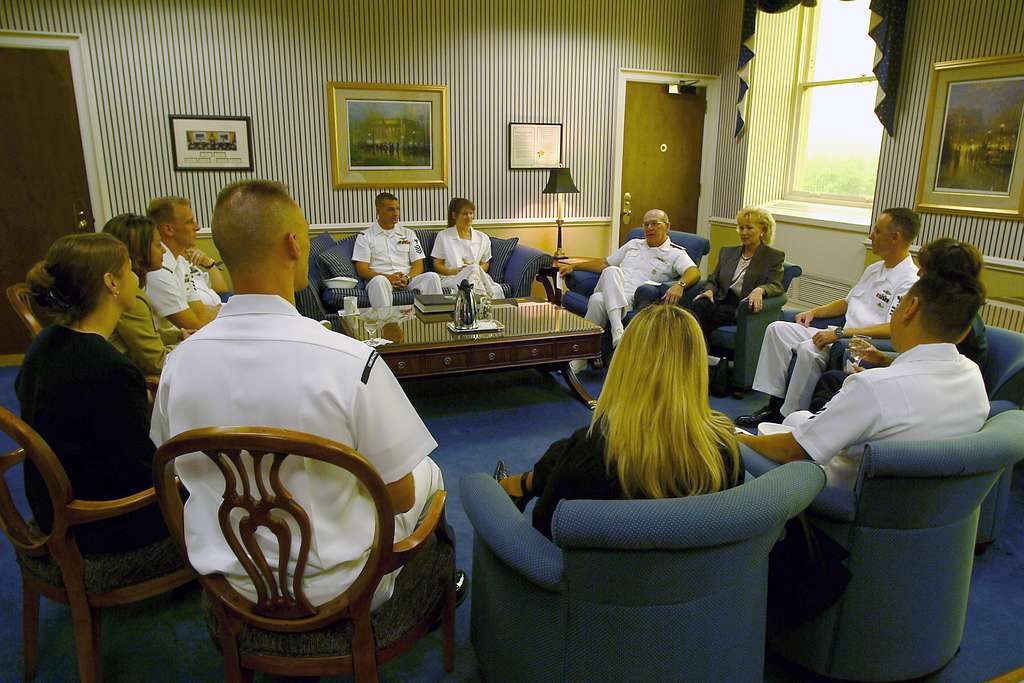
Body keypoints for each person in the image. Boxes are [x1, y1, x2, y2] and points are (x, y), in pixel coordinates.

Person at [151, 180, 454, 610]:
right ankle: (437, 589)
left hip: (230, 582)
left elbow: (174, 468)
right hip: (343, 588)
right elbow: (400, 496)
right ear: (294, 244)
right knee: (428, 473)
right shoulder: (352, 363)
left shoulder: (178, 364)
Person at [494, 304, 741, 539]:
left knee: (570, 450)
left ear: (627, 363)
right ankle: (523, 483)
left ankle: (519, 485)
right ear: (697, 367)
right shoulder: (725, 449)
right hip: (692, 580)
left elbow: (545, 527)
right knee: (566, 449)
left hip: (596, 581)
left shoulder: (596, 452)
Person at [737, 270, 989, 490]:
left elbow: (792, 451)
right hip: (920, 502)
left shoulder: (875, 388)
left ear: (910, 309)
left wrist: (739, 439)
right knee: (795, 418)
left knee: (743, 438)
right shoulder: (973, 377)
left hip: (836, 499)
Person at [16, 233, 168, 554]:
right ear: (111, 282)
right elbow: (141, 470)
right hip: (101, 523)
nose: (135, 278)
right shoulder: (109, 369)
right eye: (129, 270)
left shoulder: (45, 343)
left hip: (51, 505)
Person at [737, 208, 921, 427]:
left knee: (808, 349)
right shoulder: (874, 269)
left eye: (877, 231)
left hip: (856, 342)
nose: (871, 236)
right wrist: (814, 312)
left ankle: (789, 416)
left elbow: (893, 327)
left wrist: (840, 333)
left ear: (895, 237)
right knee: (777, 328)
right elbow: (848, 302)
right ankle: (772, 404)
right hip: (838, 332)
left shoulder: (908, 280)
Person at [808, 237, 989, 412]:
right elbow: (924, 363)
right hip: (915, 387)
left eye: (924, 269)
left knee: (832, 387)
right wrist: (884, 360)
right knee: (834, 380)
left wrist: (878, 382)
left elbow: (934, 379)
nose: (917, 274)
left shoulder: (950, 324)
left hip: (923, 400)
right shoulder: (952, 314)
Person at [557, 208, 700, 354]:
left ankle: (579, 358)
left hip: (632, 300)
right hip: (612, 288)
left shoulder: (675, 253)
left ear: (667, 226)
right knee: (612, 270)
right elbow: (605, 263)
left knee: (597, 300)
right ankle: (617, 328)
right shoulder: (634, 244)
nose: (649, 228)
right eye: (646, 225)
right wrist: (575, 266)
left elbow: (694, 271)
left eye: (655, 224)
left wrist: (680, 285)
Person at [102, 213, 192, 376]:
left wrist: (178, 336)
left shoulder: (121, 288)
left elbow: (145, 334)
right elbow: (157, 362)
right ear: (138, 253)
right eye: (158, 245)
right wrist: (190, 347)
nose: (164, 251)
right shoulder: (129, 298)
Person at [688, 206, 784, 342]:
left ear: (763, 230)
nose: (744, 232)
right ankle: (700, 351)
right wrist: (709, 290)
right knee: (698, 304)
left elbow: (776, 285)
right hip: (721, 299)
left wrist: (761, 289)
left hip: (742, 306)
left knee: (701, 316)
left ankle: (698, 352)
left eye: (749, 228)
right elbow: (713, 278)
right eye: (741, 228)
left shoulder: (773, 257)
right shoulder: (728, 252)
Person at [353, 192, 443, 308]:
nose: (396, 213)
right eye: (391, 209)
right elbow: (362, 269)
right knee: (379, 281)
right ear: (378, 211)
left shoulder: (409, 234)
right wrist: (388, 278)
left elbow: (418, 264)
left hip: (407, 280)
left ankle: (436, 321)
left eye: (398, 209)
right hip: (382, 280)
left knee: (432, 277)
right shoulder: (365, 236)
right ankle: (386, 324)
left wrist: (407, 278)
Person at [145, 196, 223, 328]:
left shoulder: (180, 262)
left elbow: (201, 313)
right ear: (169, 229)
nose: (197, 227)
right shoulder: (157, 271)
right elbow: (194, 325)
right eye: (190, 222)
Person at [431, 197, 505, 299]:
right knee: (474, 272)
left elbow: (485, 263)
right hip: (452, 277)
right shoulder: (443, 236)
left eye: (471, 213)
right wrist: (456, 271)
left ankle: (474, 302)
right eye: (465, 214)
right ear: (454, 215)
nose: (469, 217)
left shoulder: (483, 238)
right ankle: (480, 303)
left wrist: (473, 270)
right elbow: (437, 264)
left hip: (477, 276)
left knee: (474, 268)